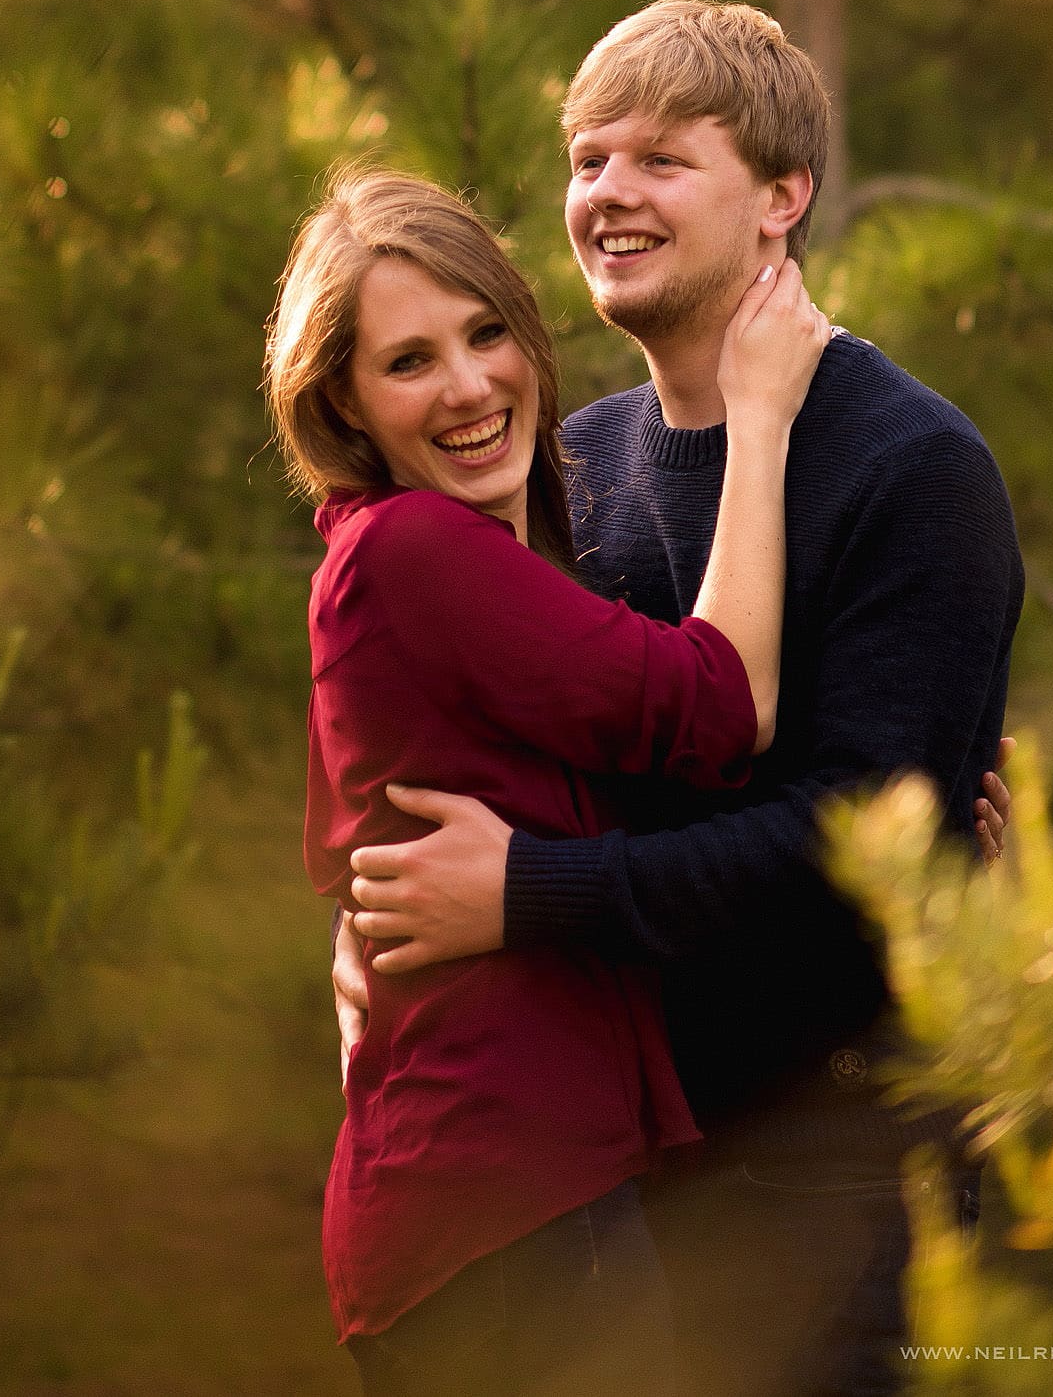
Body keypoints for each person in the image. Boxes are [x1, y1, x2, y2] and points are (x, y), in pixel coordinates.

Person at [334, 0, 1024, 1397]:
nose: (608, 195)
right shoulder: (565, 471)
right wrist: (375, 933)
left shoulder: (911, 470)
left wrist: (530, 894)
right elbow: (470, 773)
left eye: (659, 157)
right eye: (588, 160)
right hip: (607, 1177)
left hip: (833, 1170)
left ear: (784, 197)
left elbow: (854, 843)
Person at [268, 165, 833, 1395]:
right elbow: (718, 706)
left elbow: (350, 857)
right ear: (345, 405)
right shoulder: (410, 551)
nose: (469, 385)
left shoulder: (435, 564)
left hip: (492, 1208)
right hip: (505, 1213)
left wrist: (922, 800)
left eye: (485, 333)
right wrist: (761, 414)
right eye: (408, 361)